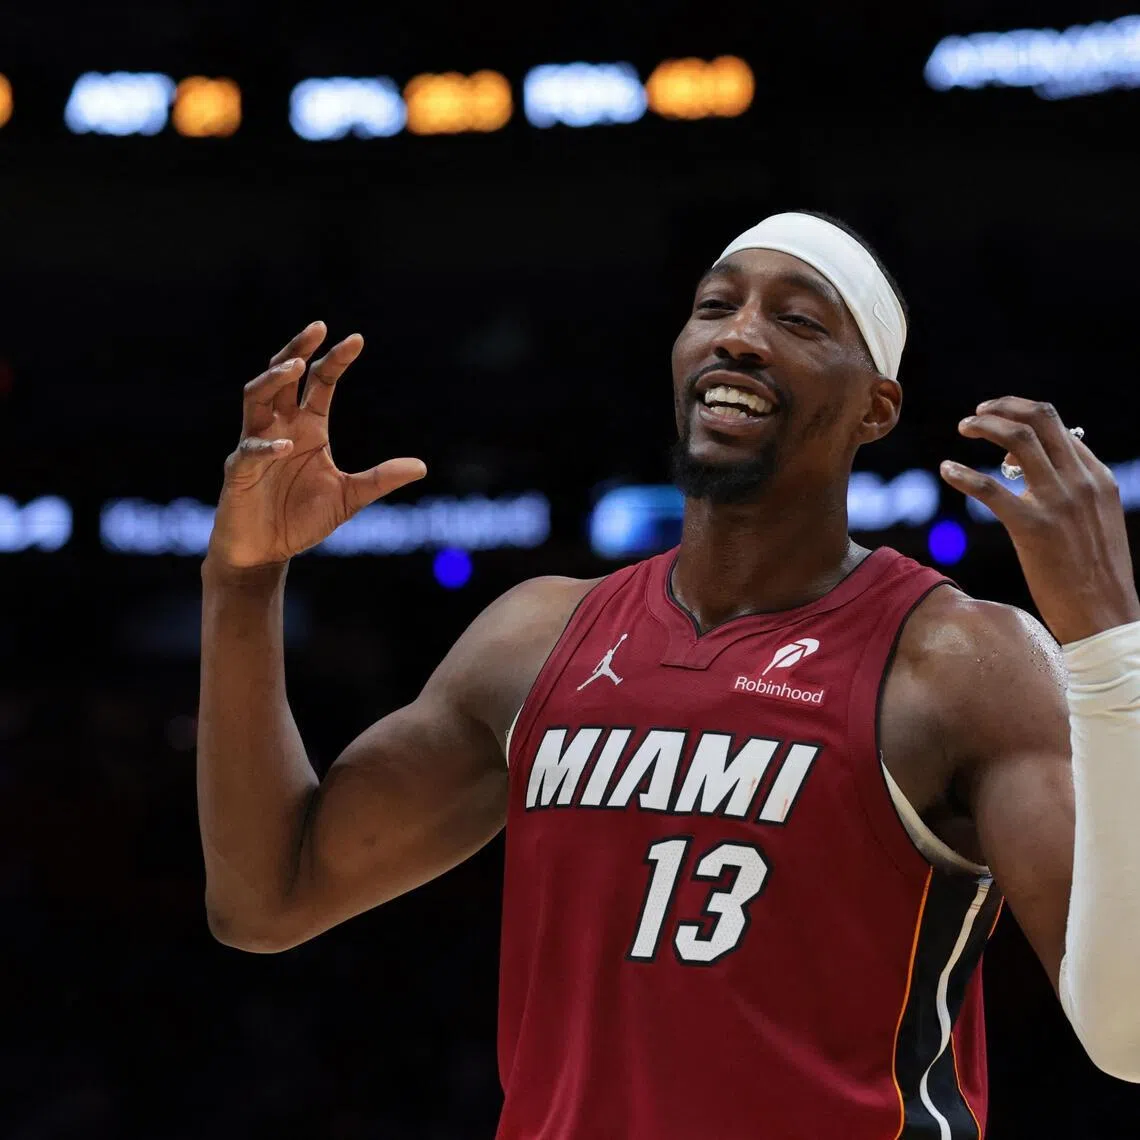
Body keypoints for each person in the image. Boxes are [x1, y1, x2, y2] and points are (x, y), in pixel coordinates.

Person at [197, 211, 1140, 1139]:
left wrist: (1108, 647)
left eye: (798, 320)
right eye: (714, 307)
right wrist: (243, 582)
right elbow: (267, 899)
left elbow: (1131, 1036)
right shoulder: (535, 638)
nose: (739, 336)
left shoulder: (961, 665)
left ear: (876, 407)